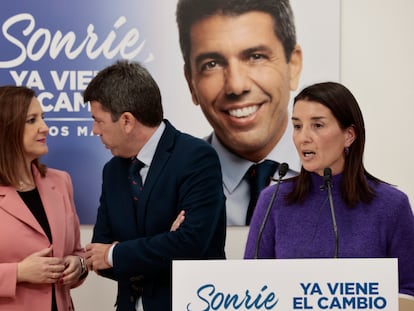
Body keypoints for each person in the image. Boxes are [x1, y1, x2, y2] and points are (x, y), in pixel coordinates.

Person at [244, 82, 414, 296]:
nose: (303, 137)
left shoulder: (391, 205)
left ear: (349, 135)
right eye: (297, 126)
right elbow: (249, 287)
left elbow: (409, 290)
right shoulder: (273, 200)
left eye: (318, 125)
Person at [83, 60, 226, 311]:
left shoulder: (196, 157)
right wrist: (163, 245)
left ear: (126, 121)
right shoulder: (113, 171)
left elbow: (190, 245)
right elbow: (98, 254)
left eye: (98, 120)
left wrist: (116, 254)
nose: (94, 130)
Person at [176, 0, 303, 225]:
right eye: (212, 64)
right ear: (190, 83)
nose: (236, 86)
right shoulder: (167, 187)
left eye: (256, 57)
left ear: (292, 65)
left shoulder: (343, 181)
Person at [0, 85, 87, 310]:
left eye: (43, 118)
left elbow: (77, 252)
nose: (45, 128)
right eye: (32, 120)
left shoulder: (61, 182)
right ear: (5, 129)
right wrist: (18, 273)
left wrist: (78, 265)